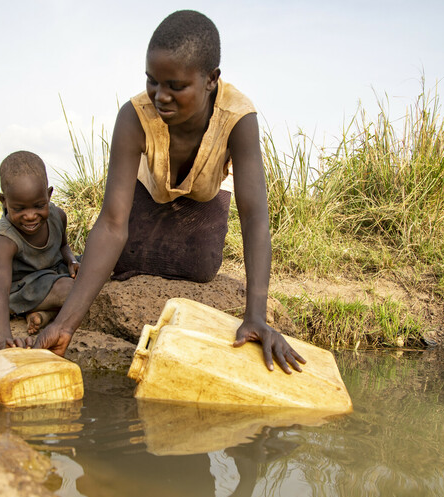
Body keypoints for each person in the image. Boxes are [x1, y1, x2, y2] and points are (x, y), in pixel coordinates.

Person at [33, 10, 304, 373]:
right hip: (146, 199)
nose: (161, 97)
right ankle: (60, 300)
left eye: (176, 86)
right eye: (152, 82)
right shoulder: (134, 116)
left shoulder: (238, 117)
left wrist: (255, 315)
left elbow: (255, 217)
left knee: (202, 265)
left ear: (211, 80)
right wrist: (65, 326)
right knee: (117, 255)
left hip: (199, 205)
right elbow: (113, 223)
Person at [0, 150, 80, 349]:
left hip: (50, 273)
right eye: (19, 209)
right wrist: (4, 338)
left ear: (49, 195)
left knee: (92, 272)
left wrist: (71, 261)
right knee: (72, 291)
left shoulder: (58, 217)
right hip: (16, 288)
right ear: (4, 201)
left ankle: (42, 314)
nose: (31, 216)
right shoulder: (6, 240)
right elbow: (0, 287)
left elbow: (63, 246)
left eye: (39, 205)